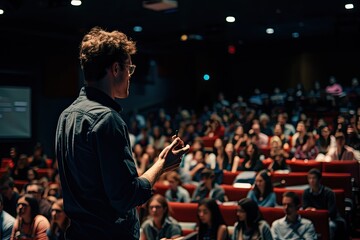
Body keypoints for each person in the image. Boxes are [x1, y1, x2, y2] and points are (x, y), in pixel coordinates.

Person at [55, 26, 190, 239]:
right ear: (116, 69)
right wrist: (162, 165)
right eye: (129, 68)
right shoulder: (107, 119)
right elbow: (126, 196)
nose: (130, 75)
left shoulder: (66, 116)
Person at [302, 168, 347, 240]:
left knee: (330, 226)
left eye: (314, 178)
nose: (311, 181)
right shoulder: (306, 192)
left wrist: (316, 212)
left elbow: (331, 211)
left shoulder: (329, 193)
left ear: (319, 180)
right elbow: (305, 207)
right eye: (309, 178)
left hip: (330, 219)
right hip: (312, 219)